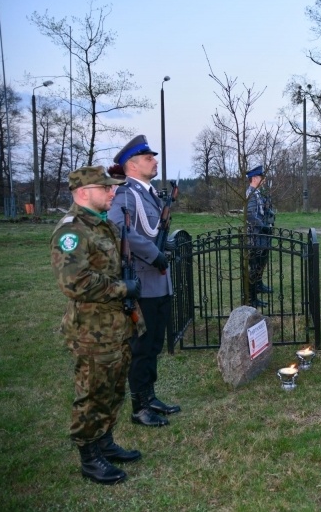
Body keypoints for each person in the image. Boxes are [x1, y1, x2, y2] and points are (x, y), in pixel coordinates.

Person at [50, 165, 143, 484]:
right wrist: (122, 289)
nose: (112, 192)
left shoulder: (104, 226)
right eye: (105, 188)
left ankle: (104, 442)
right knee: (91, 393)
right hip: (92, 330)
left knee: (114, 388)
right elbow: (74, 282)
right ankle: (89, 457)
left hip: (116, 326)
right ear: (84, 192)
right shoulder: (71, 231)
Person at [107, 135, 180, 427]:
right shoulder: (126, 194)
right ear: (132, 165)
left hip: (159, 282)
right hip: (143, 283)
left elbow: (152, 231)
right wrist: (153, 253)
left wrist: (164, 248)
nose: (155, 161)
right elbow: (116, 226)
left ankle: (149, 397)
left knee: (154, 345)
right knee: (142, 347)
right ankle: (139, 407)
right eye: (149, 158)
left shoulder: (149, 193)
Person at [246, 165, 275, 308]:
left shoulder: (257, 193)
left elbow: (262, 210)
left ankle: (259, 285)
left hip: (261, 235)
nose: (263, 180)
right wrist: (262, 226)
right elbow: (251, 215)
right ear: (255, 178)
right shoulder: (251, 194)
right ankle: (252, 298)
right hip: (255, 236)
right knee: (255, 265)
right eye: (261, 178)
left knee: (262, 261)